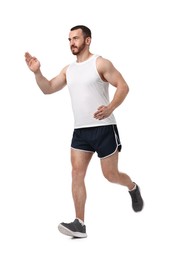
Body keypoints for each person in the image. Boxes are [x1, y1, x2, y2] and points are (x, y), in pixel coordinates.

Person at [25, 25, 143, 238]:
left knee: (110, 175)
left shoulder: (100, 63)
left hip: (104, 128)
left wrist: (110, 107)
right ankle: (80, 223)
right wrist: (37, 72)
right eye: (69, 39)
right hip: (80, 131)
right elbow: (48, 88)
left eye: (76, 38)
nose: (72, 42)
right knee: (76, 173)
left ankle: (133, 187)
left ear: (87, 40)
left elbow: (123, 86)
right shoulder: (68, 70)